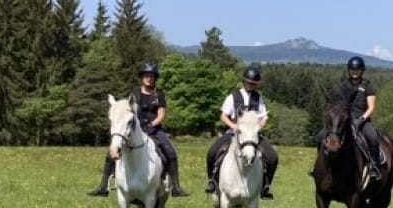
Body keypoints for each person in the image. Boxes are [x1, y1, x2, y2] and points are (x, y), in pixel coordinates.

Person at [87, 62, 189, 197]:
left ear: (154, 78)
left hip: (154, 129)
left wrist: (152, 125)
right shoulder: (134, 93)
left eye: (151, 76)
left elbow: (161, 114)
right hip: (136, 129)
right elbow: (128, 110)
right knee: (111, 151)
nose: (149, 78)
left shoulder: (159, 93)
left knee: (170, 150)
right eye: (146, 76)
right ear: (142, 77)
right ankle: (103, 185)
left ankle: (176, 187)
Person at [203, 66, 279, 199]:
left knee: (272, 157)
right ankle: (212, 181)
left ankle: (265, 187)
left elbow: (264, 117)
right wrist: (233, 125)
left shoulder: (258, 99)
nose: (251, 85)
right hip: (232, 133)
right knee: (212, 152)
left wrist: (258, 127)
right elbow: (223, 115)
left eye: (254, 84)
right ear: (244, 82)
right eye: (249, 82)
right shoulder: (232, 97)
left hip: (252, 135)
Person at [334, 56, 383, 180]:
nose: (354, 72)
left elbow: (371, 107)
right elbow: (338, 104)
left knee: (373, 138)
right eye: (352, 69)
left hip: (362, 120)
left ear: (362, 70)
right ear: (349, 70)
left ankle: (374, 167)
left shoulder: (367, 86)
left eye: (357, 69)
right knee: (323, 135)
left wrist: (360, 120)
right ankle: (319, 166)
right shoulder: (343, 85)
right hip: (344, 120)